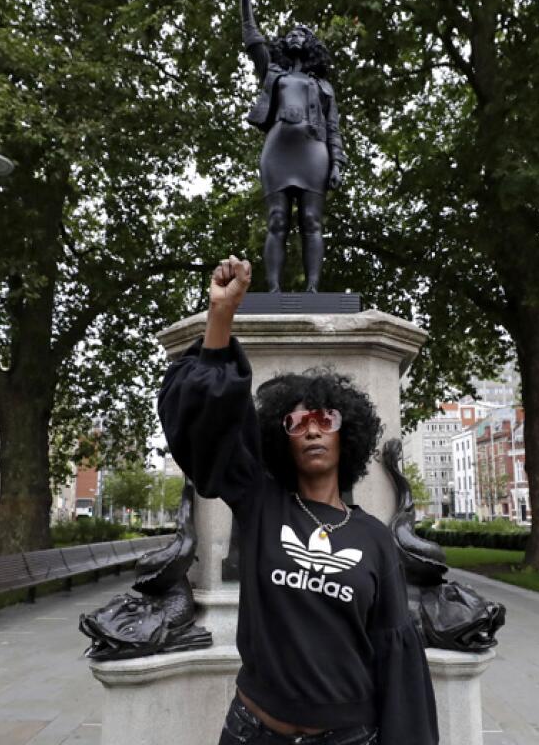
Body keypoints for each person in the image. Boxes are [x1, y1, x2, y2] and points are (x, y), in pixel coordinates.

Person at [159, 256, 438, 745]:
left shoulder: (373, 538)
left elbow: (396, 657)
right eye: (297, 422)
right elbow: (214, 425)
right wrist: (221, 313)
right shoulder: (260, 502)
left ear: (344, 436)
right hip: (253, 732)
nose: (311, 428)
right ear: (282, 438)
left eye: (325, 420)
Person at [236, 0, 346, 293]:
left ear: (311, 45)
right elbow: (251, 36)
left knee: (312, 221)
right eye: (292, 32)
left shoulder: (324, 87)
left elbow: (333, 129)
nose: (296, 35)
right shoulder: (272, 71)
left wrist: (338, 163)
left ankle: (313, 289)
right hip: (278, 151)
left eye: (303, 33)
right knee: (277, 220)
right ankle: (273, 290)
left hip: (314, 152)